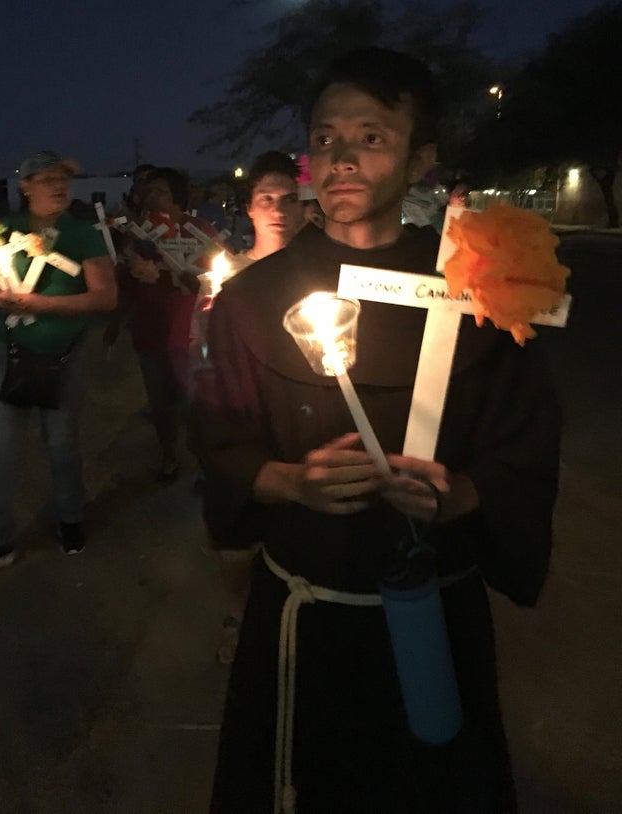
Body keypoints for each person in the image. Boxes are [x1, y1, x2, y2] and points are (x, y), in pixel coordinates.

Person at [190, 48, 561, 812]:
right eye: (325, 140)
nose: (343, 159)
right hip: (307, 608)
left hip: (434, 610)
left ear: (421, 158)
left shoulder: (481, 290)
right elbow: (219, 434)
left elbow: (525, 441)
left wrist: (461, 497)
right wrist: (287, 480)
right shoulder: (255, 299)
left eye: (372, 137)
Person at [0, 150, 117, 574]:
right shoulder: (0, 230)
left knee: (62, 442)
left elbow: (106, 296)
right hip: (5, 354)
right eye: (46, 178)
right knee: (1, 449)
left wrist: (44, 305)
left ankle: (70, 519)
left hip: (64, 356)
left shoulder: (82, 234)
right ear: (25, 186)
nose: (58, 185)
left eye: (63, 178)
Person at [194, 150, 305, 664]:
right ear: (250, 209)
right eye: (267, 199)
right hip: (240, 414)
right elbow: (199, 353)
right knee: (234, 531)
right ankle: (239, 616)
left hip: (299, 418)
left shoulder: (320, 271)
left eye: (290, 199)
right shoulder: (229, 277)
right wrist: (210, 320)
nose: (279, 209)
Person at [106, 167, 220, 483]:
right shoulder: (139, 233)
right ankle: (169, 456)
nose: (151, 196)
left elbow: (220, 280)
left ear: (177, 198)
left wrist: (189, 278)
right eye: (149, 190)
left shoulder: (202, 232)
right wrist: (115, 322)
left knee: (195, 404)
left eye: (160, 191)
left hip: (190, 334)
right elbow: (125, 284)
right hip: (150, 331)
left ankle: (205, 464)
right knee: (160, 404)